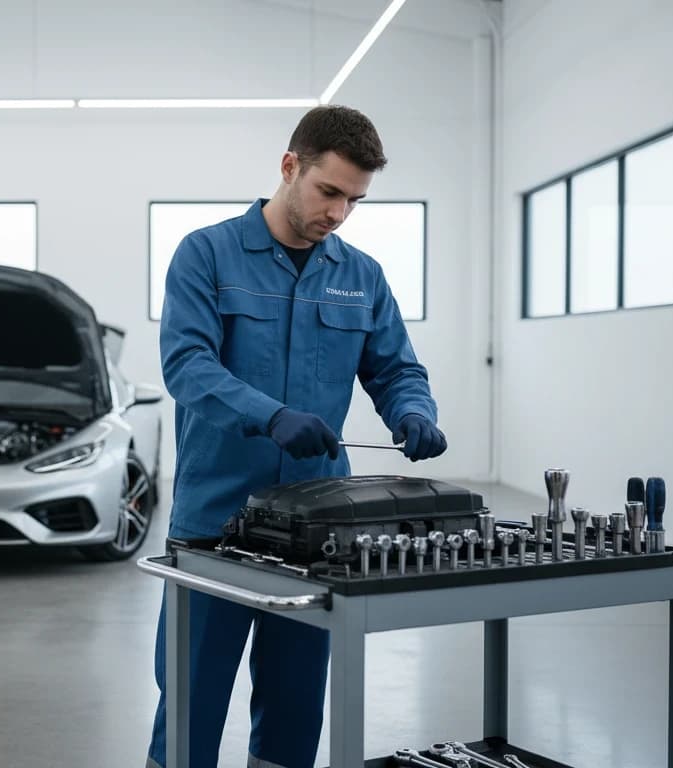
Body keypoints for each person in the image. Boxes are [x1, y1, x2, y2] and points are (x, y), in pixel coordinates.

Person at [145, 105, 447, 768]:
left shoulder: (360, 275)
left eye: (354, 200)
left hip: (316, 534)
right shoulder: (207, 254)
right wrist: (270, 414)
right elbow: (187, 366)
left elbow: (396, 368)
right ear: (290, 167)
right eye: (329, 191)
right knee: (190, 705)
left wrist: (413, 412)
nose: (338, 213)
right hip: (214, 530)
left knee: (294, 709)